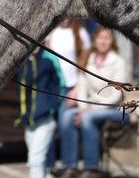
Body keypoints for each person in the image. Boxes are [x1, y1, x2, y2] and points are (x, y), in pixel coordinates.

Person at [59, 27, 128, 178]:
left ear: (112, 42)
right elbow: (82, 88)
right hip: (89, 107)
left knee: (86, 118)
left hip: (113, 109)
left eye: (107, 38)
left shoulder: (118, 62)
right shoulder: (88, 60)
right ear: (95, 40)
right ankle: (69, 165)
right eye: (100, 38)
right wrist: (83, 107)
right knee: (66, 116)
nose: (103, 41)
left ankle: (91, 167)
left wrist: (90, 110)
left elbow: (116, 96)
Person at [15, 46, 66, 178]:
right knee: (39, 162)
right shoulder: (23, 62)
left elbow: (60, 84)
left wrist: (51, 106)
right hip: (29, 122)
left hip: (45, 120)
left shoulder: (48, 60)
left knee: (35, 160)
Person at [50, 20, 92, 169]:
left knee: (65, 123)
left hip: (71, 87)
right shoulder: (52, 32)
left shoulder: (80, 33)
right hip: (53, 87)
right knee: (49, 126)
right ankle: (49, 166)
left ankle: (69, 165)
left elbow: (85, 64)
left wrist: (77, 89)